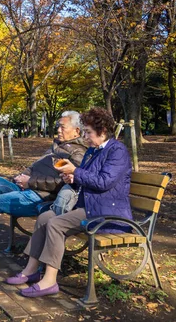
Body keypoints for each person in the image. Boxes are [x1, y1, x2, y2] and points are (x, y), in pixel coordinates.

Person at [7, 107, 132, 298]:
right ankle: (31, 270)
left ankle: (49, 281)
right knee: (45, 217)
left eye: (89, 132)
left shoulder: (117, 151)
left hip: (107, 213)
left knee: (56, 223)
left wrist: (76, 172)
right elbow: (88, 177)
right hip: (90, 207)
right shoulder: (94, 150)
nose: (86, 137)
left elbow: (105, 182)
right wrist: (72, 177)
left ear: (103, 131)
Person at [0, 111, 87, 269]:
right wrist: (21, 176)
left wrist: (30, 182)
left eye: (62, 127)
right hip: (27, 187)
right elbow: (36, 167)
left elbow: (65, 182)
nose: (58, 130)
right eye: (58, 126)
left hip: (41, 197)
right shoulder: (56, 145)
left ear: (77, 131)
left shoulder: (78, 152)